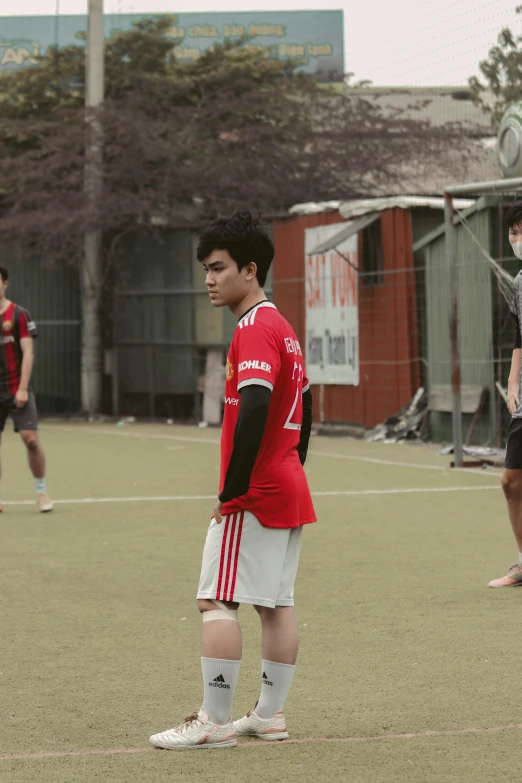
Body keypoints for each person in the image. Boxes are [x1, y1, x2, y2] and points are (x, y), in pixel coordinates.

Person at [149, 211, 316, 749]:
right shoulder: (283, 328)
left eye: (218, 268)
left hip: (256, 494)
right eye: (205, 268)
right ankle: (269, 716)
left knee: (215, 600)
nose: (209, 279)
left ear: (250, 269)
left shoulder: (253, 328)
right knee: (275, 604)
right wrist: (292, 464)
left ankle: (214, 721)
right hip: (286, 487)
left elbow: (257, 404)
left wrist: (232, 491)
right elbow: (307, 405)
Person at [0, 265, 52, 514]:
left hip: (16, 387)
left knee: (30, 440)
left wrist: (22, 389)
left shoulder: (19, 314)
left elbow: (28, 352)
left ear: (5, 284)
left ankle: (41, 491)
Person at [490, 202, 522, 587]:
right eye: (513, 233)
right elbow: (519, 335)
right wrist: (513, 383)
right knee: (511, 481)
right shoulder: (519, 282)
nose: (517, 240)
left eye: (521, 231)